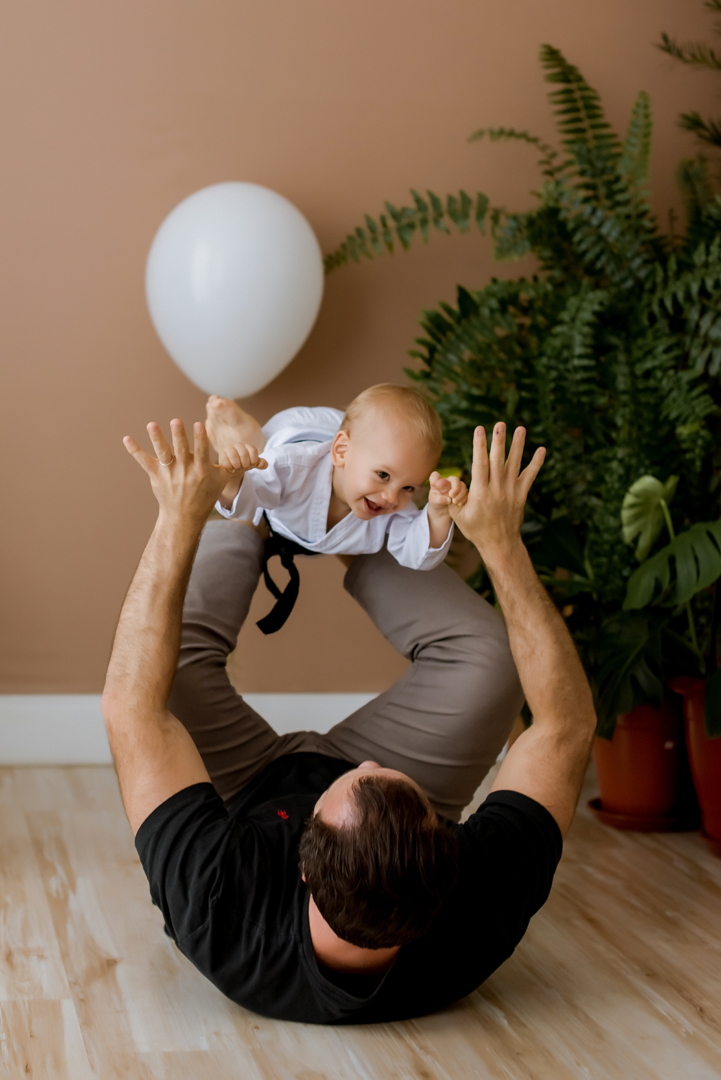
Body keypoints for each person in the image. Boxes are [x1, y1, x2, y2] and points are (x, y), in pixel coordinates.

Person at [102, 416, 596, 1025]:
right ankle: (367, 531)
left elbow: (129, 707)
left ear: (301, 865)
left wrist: (179, 515)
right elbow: (565, 728)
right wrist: (502, 545)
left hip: (240, 788)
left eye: (362, 778)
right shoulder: (475, 913)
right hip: (366, 808)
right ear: (447, 854)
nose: (368, 764)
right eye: (392, 780)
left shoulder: (219, 903)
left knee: (162, 673)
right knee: (491, 663)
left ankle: (248, 521)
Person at [203, 386, 468, 631]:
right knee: (259, 463)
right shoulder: (291, 467)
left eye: (409, 488)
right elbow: (243, 504)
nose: (391, 497)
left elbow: (417, 553)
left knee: (370, 449)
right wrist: (234, 477)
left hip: (348, 446)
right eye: (383, 475)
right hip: (300, 432)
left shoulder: (393, 504)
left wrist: (439, 514)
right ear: (341, 451)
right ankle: (245, 435)